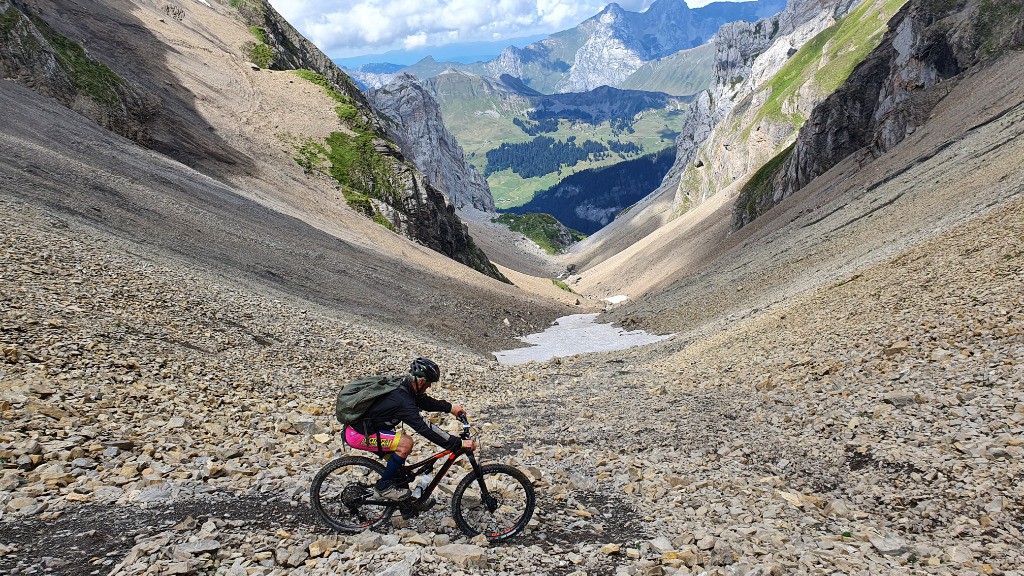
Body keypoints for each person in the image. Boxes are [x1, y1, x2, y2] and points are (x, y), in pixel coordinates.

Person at [344, 357, 476, 500]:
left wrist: (450, 408)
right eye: (429, 383)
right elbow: (424, 427)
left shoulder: (405, 387)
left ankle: (407, 504)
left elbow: (424, 401)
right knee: (406, 443)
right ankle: (382, 488)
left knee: (399, 471)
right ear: (420, 381)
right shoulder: (402, 400)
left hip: (365, 430)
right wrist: (457, 443)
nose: (429, 387)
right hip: (358, 434)